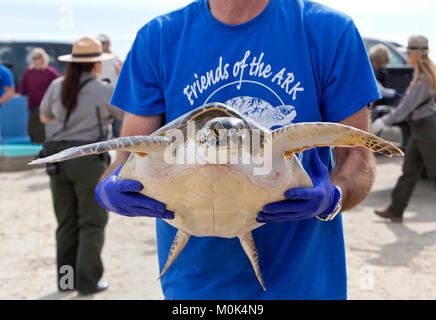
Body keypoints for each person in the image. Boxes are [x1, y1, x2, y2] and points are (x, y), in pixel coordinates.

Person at [95, 0, 381, 299]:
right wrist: (108, 187)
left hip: (303, 284)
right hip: (195, 287)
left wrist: (334, 196)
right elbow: (127, 155)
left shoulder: (329, 31)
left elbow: (358, 154)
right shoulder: (158, 38)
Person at [39, 36, 123, 295]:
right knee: (92, 222)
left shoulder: (56, 85)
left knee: (66, 223)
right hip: (87, 160)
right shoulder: (103, 89)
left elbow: (44, 116)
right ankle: (87, 282)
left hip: (57, 158)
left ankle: (67, 281)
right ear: (97, 63)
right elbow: (127, 114)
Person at [373, 35, 436, 223]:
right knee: (409, 171)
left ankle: (396, 209)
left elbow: (406, 107)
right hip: (419, 129)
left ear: (417, 55)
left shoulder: (423, 79)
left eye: (409, 52)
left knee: (434, 173)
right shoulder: (422, 76)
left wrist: (385, 121)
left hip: (427, 129)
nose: (407, 56)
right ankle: (396, 209)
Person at [17, 48, 60, 144]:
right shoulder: (29, 71)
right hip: (33, 107)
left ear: (42, 58)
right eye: (32, 58)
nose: (34, 60)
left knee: (45, 131)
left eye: (36, 58)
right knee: (32, 129)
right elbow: (22, 89)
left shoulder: (49, 71)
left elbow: (60, 84)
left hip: (47, 107)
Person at [97, 34, 123, 138]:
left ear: (108, 43)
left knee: (117, 126)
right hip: (99, 96)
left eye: (103, 42)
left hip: (114, 96)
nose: (101, 45)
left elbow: (122, 75)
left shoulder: (116, 59)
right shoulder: (96, 59)